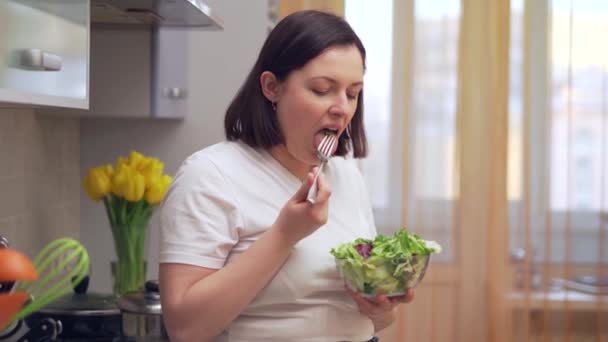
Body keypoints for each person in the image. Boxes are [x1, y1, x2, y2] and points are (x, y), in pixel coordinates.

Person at [158, 10, 415, 342]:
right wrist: (284, 235)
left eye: (352, 93)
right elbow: (184, 328)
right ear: (271, 87)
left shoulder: (347, 175)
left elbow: (361, 320)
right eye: (322, 89)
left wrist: (380, 309)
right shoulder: (210, 175)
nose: (342, 108)